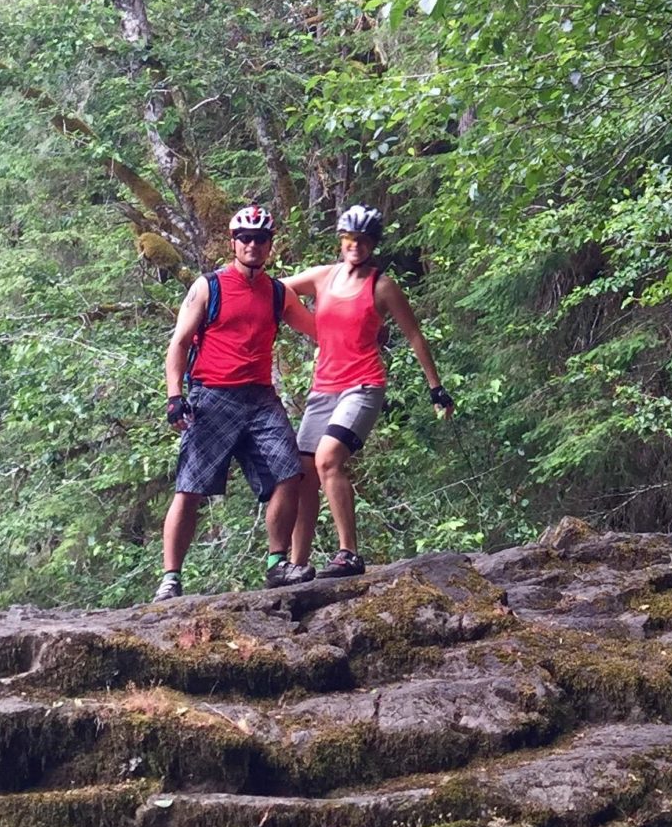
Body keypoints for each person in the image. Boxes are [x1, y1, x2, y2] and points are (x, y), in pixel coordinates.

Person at [154, 202, 322, 599]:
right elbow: (178, 342)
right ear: (233, 243)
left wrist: (365, 331)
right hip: (212, 396)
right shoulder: (208, 286)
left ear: (270, 245)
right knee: (190, 487)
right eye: (245, 238)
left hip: (260, 397)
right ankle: (170, 578)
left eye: (260, 238)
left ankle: (277, 563)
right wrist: (175, 396)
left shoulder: (277, 293)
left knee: (289, 473)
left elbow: (319, 331)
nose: (253, 245)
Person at [283, 204, 453, 580]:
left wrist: (435, 387)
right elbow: (276, 292)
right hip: (323, 387)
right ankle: (296, 564)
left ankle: (349, 554)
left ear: (373, 244)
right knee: (303, 473)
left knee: (328, 459)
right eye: (349, 239)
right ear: (341, 241)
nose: (355, 246)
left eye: (363, 240)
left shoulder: (382, 286)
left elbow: (413, 335)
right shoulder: (323, 277)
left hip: (363, 386)